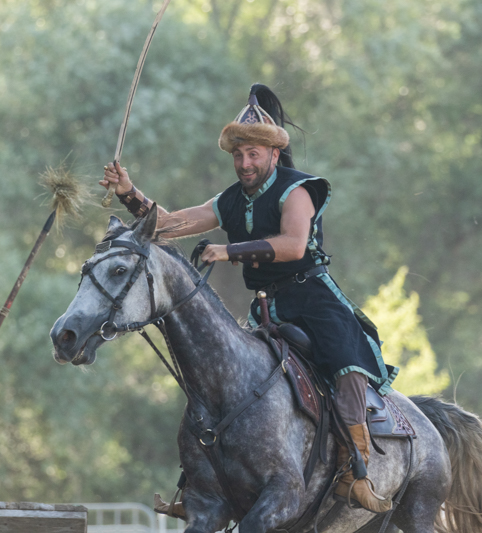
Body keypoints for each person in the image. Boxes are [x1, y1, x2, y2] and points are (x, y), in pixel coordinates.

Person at [100, 84, 397, 513]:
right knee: (225, 380)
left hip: (315, 300)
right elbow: (168, 224)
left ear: (273, 154)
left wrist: (229, 250)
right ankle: (201, 486)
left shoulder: (298, 190)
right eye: (238, 155)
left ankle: (358, 471)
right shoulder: (230, 200)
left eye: (253, 154)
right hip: (268, 308)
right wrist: (129, 192)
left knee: (346, 366)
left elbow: (294, 245)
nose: (244, 163)